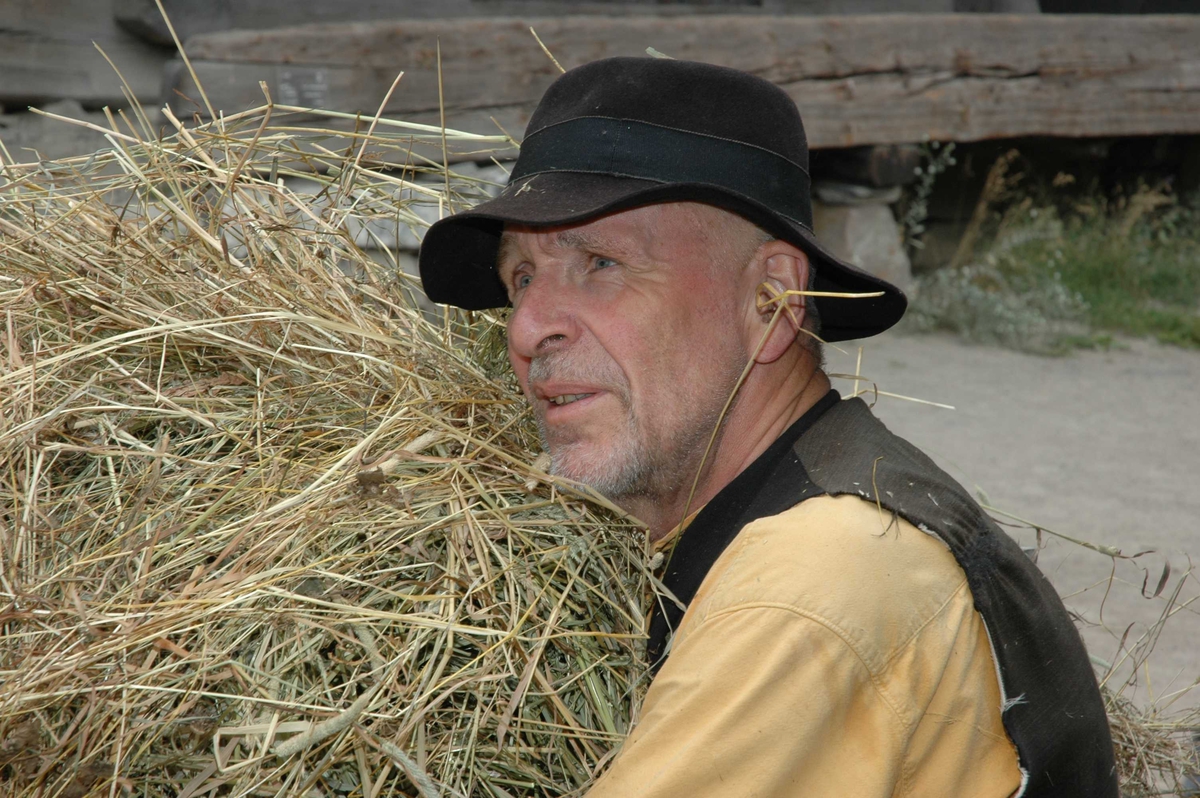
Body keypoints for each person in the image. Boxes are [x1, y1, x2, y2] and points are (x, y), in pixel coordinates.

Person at [418, 57, 1117, 797]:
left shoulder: (813, 577)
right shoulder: (787, 510)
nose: (527, 328)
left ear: (773, 303)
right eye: (520, 277)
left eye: (599, 262)